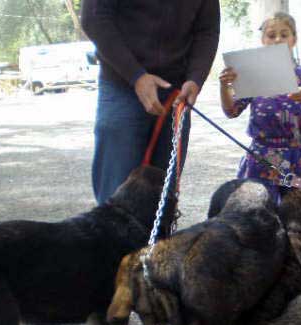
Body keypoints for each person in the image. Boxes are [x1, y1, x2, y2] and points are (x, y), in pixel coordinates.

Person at [80, 0, 220, 205]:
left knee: (163, 197)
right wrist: (136, 76)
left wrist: (196, 78)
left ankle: (160, 237)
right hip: (122, 84)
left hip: (175, 91)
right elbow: (94, 19)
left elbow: (207, 29)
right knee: (116, 197)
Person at [219, 12, 301, 202]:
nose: (278, 39)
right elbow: (231, 111)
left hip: (295, 157)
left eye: (284, 34)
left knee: (295, 212)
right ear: (263, 40)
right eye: (271, 35)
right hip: (261, 157)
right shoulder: (251, 73)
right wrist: (224, 86)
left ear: (294, 40)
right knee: (258, 213)